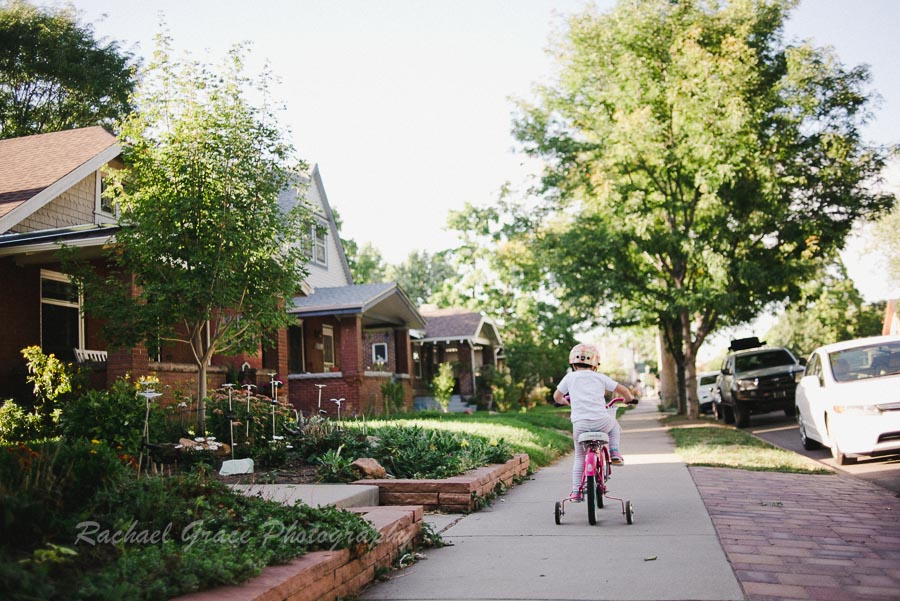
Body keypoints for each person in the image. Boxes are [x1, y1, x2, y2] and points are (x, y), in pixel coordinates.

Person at [553, 342, 635, 502]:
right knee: (614, 425)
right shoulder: (600, 377)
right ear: (595, 364)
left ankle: (576, 492)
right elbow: (623, 390)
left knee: (579, 457)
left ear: (573, 363)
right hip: (601, 422)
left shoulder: (569, 377)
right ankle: (614, 452)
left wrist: (564, 401)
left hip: (580, 425)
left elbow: (556, 396)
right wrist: (629, 399)